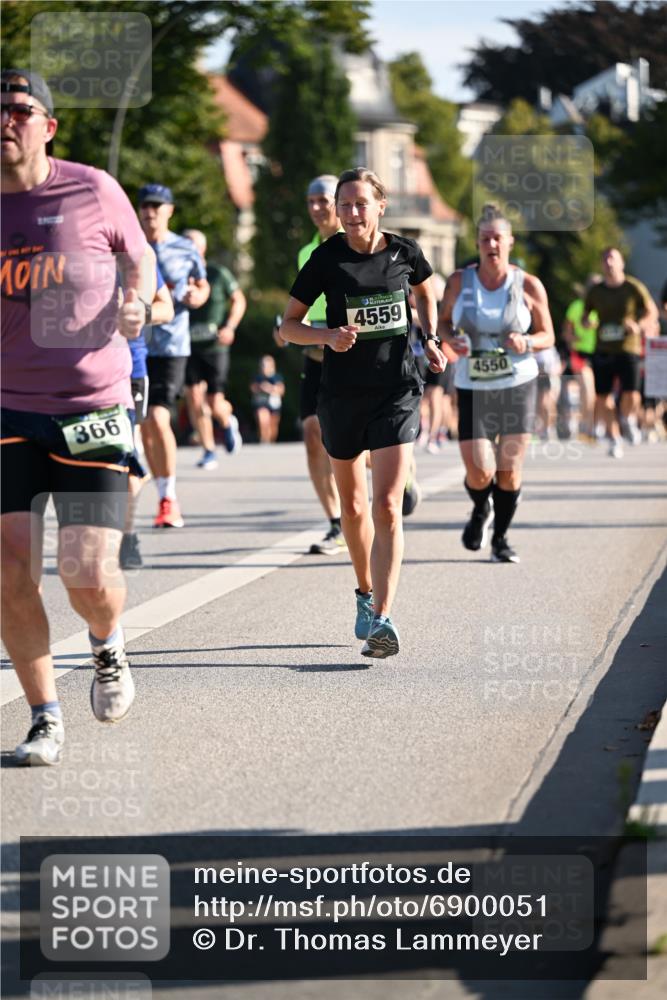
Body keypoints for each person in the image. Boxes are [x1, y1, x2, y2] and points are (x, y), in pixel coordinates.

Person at [1, 69, 156, 764]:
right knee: (9, 569)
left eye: (19, 109)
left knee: (87, 574)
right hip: (6, 406)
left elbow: (139, 256)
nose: (5, 120)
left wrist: (138, 301)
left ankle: (106, 643)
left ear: (48, 126)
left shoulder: (91, 189)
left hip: (91, 404)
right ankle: (44, 717)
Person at [281, 167, 446, 658]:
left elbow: (426, 291)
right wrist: (327, 336)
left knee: (387, 506)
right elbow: (288, 326)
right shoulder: (326, 258)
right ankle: (364, 592)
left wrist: (430, 338)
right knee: (353, 509)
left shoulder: (405, 252)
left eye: (361, 204)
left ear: (380, 206)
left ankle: (383, 618)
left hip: (396, 390)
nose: (352, 213)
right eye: (345, 205)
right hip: (341, 396)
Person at [438, 203, 555, 564]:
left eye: (498, 239)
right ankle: (480, 508)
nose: (491, 245)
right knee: (479, 470)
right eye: (485, 239)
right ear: (477, 242)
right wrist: (451, 339)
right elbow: (442, 322)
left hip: (517, 383)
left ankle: (501, 539)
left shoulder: (528, 284)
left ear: (510, 242)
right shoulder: (459, 281)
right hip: (473, 384)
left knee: (509, 468)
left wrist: (527, 341)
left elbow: (548, 335)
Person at [279, 174, 347, 557]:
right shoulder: (307, 252)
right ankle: (336, 523)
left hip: (350, 353)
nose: (318, 208)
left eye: (324, 200)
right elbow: (303, 305)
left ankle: (400, 471)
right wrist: (288, 326)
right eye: (312, 202)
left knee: (357, 445)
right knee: (311, 434)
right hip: (316, 354)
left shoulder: (354, 245)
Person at [137, 184, 209, 526]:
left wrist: (198, 296)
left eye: (157, 206)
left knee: (157, 416)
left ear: (169, 210)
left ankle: (169, 497)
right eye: (145, 206)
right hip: (135, 345)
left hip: (171, 345)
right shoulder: (130, 246)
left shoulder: (185, 247)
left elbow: (202, 283)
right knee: (144, 422)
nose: (150, 212)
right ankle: (161, 489)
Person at [119, 261, 175, 569]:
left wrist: (142, 312)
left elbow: (167, 307)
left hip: (129, 372)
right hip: (75, 371)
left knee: (125, 454)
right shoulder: (65, 251)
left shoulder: (136, 258)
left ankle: (127, 536)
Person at [584, 247, 658, 458]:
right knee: (603, 397)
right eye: (605, 259)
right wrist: (587, 322)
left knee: (632, 394)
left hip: (629, 347)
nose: (609, 263)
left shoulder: (633, 287)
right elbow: (586, 315)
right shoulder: (596, 291)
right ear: (601, 264)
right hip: (603, 349)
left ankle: (627, 419)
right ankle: (615, 438)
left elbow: (651, 311)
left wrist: (639, 325)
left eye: (613, 259)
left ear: (621, 263)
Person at [182, 228, 245, 469]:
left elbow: (239, 300)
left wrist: (230, 327)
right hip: (187, 346)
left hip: (215, 346)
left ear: (203, 249)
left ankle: (227, 421)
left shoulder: (218, 274)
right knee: (193, 397)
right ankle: (208, 450)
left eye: (193, 245)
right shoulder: (176, 276)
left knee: (214, 401)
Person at [562, 278, 599, 440]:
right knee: (586, 386)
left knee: (599, 393)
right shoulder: (576, 306)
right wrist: (573, 339)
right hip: (580, 353)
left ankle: (593, 424)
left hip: (601, 353)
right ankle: (585, 425)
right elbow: (566, 331)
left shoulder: (603, 307)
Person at [250, 354, 285, 443]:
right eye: (262, 365)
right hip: (261, 403)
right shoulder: (257, 377)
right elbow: (252, 388)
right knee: (262, 419)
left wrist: (269, 388)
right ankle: (264, 439)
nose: (264, 367)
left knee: (273, 426)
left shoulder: (277, 377)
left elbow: (281, 390)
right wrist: (260, 388)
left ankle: (270, 441)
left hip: (274, 404)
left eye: (266, 365)